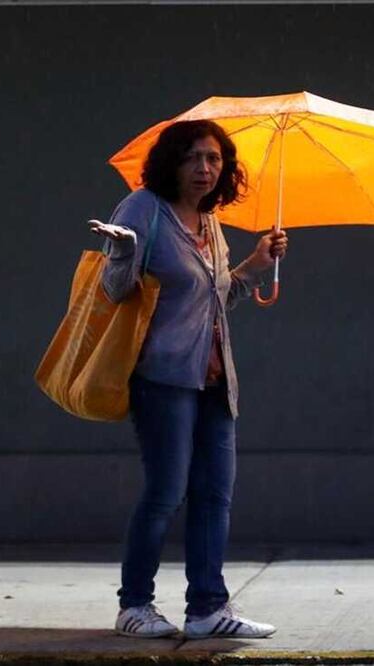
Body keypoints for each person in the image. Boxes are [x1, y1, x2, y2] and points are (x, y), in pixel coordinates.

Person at [87, 120, 287, 640]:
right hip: (163, 378)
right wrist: (124, 254)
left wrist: (255, 265)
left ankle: (207, 610)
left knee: (214, 494)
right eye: (193, 157)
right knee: (165, 493)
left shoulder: (209, 220)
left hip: (216, 381)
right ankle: (134, 606)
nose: (204, 168)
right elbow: (113, 290)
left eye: (214, 159)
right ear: (172, 162)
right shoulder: (143, 210)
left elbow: (214, 300)